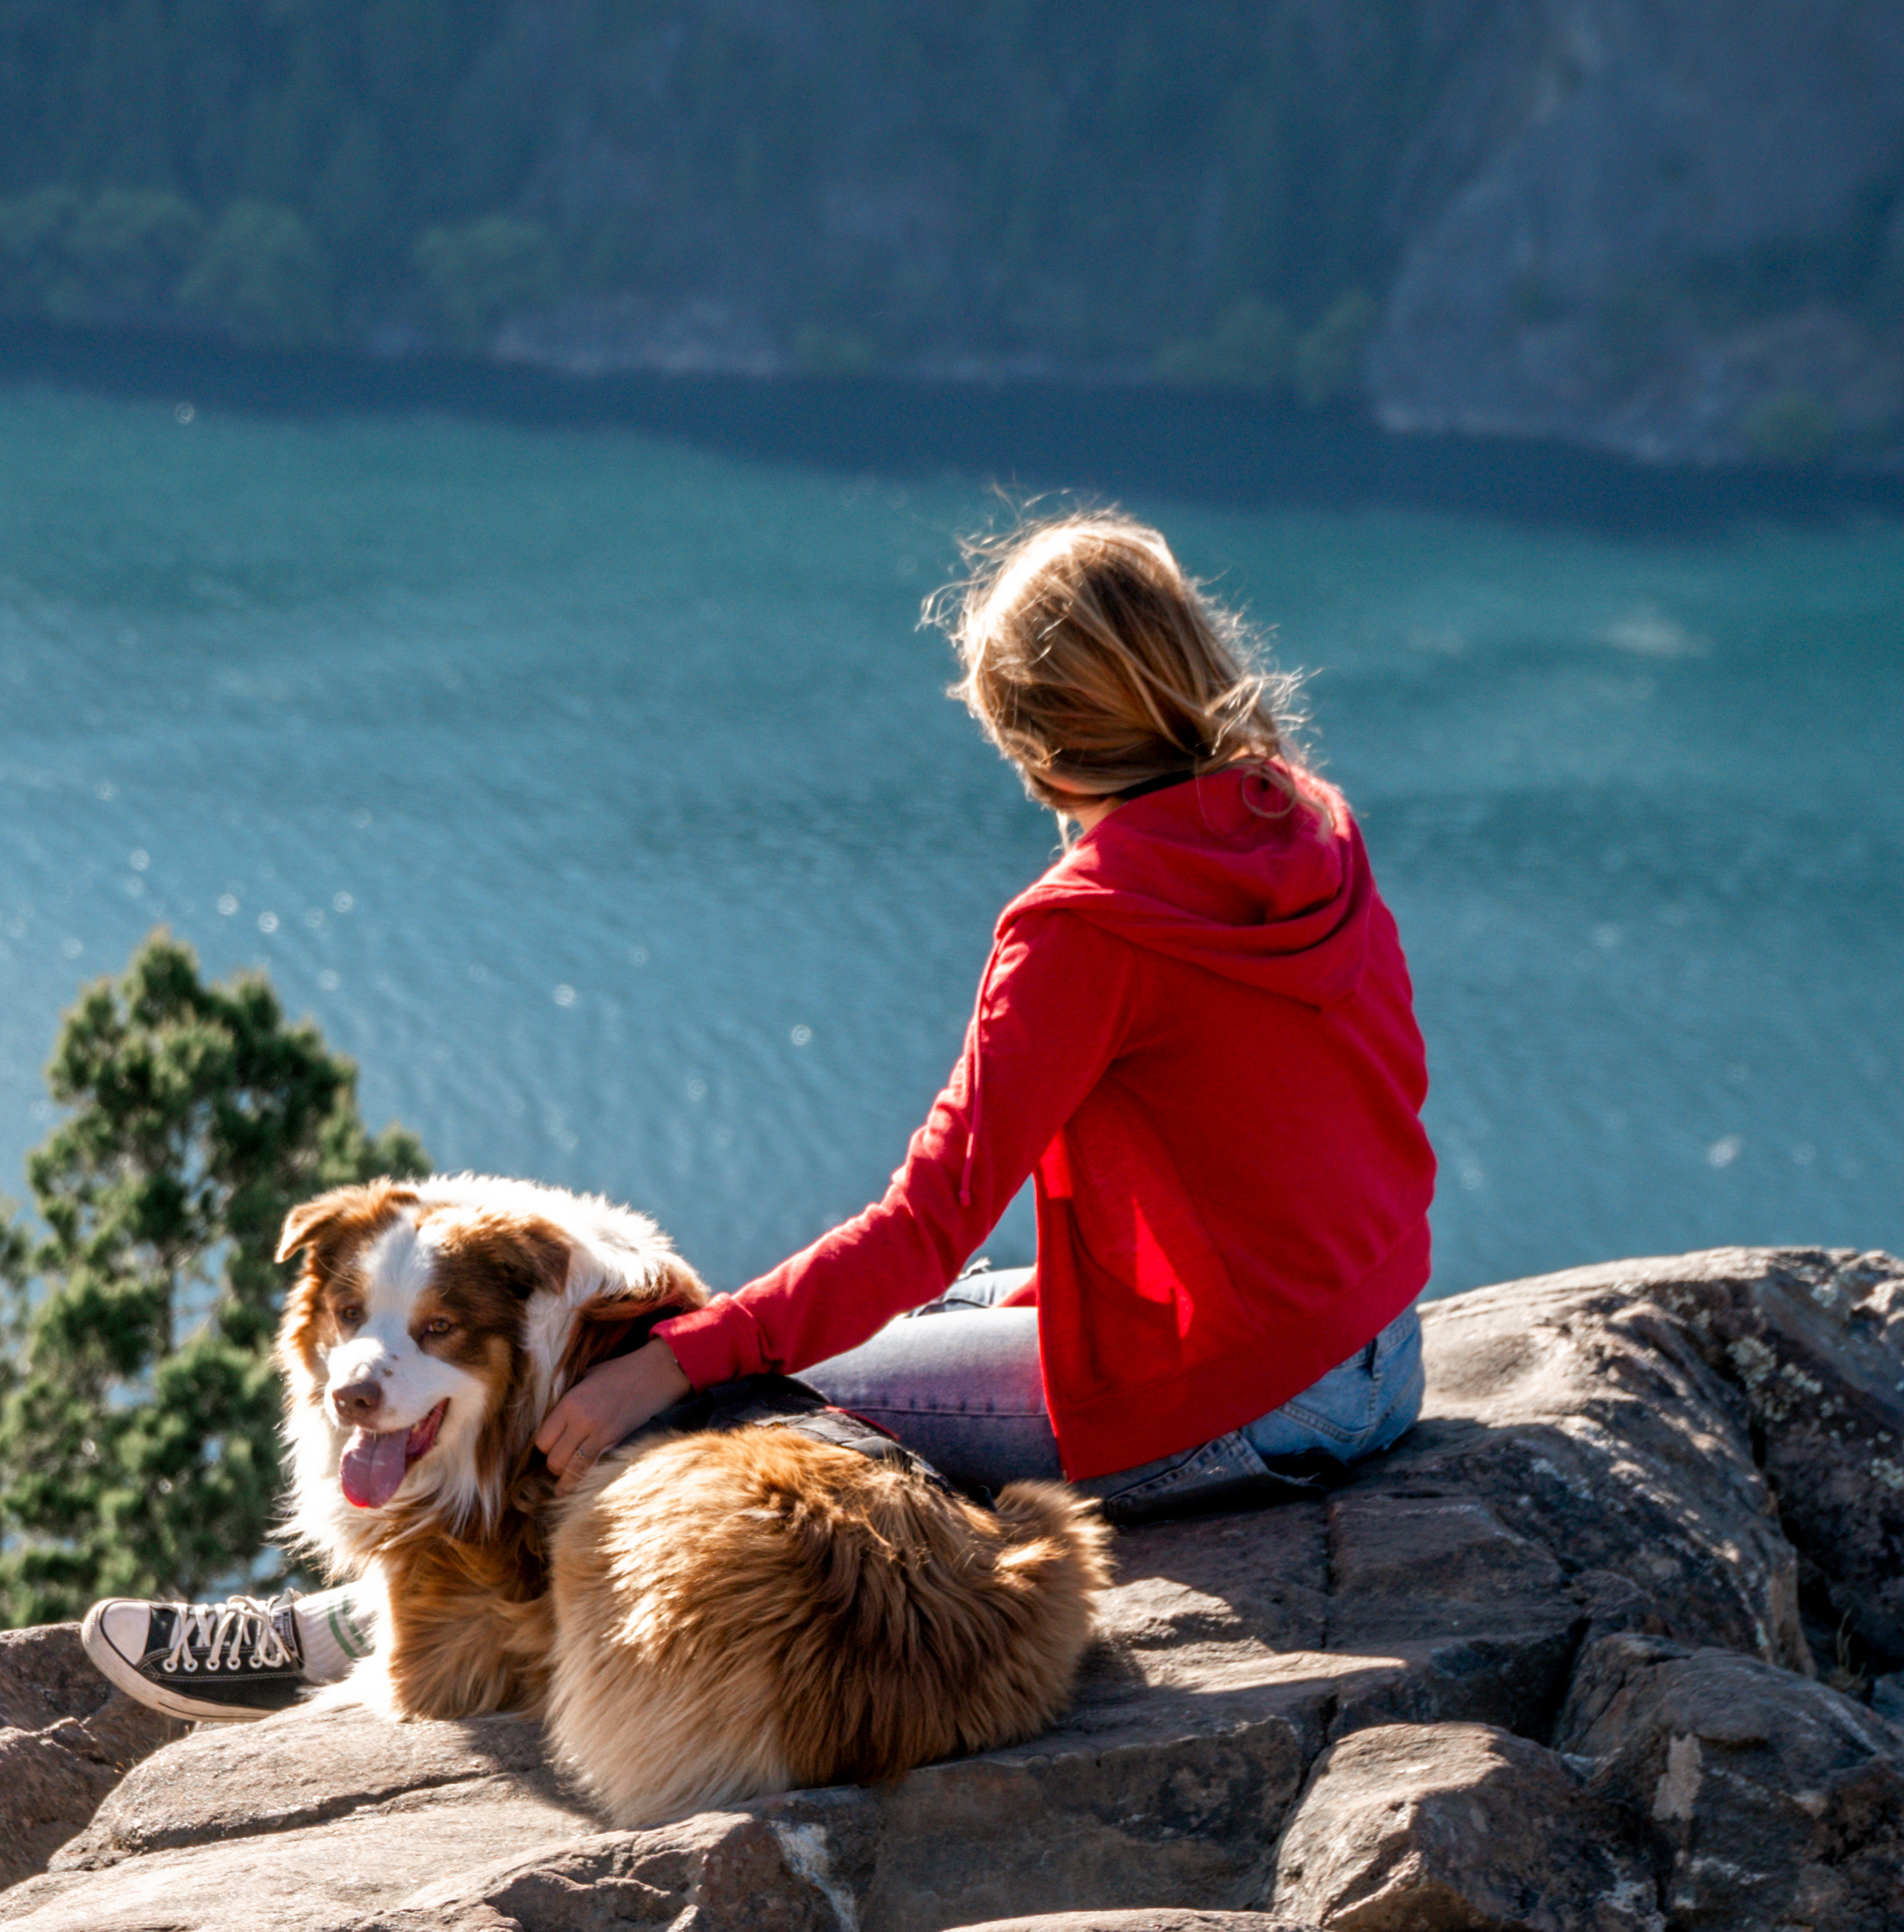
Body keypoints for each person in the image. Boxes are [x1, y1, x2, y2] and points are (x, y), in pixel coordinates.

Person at [84, 507, 1435, 1723]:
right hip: (1380, 1348)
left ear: (1032, 737)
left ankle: (352, 1642)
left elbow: (926, 1220)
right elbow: (1389, 1095)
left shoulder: (1086, 930)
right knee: (897, 1329)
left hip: (1259, 1399)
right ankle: (361, 1611)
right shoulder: (1296, 819)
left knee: (738, 1409)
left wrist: (670, 1364)